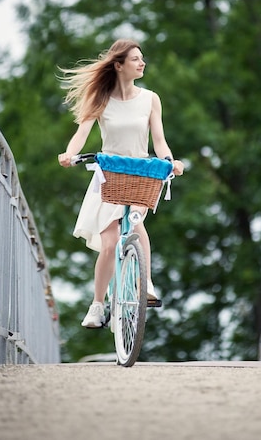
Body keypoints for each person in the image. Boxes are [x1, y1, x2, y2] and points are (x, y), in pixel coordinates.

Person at [58, 39, 184, 328]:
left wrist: (171, 161)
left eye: (142, 59)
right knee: (110, 241)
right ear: (119, 65)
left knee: (137, 223)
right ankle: (97, 305)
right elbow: (82, 132)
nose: (142, 63)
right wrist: (70, 153)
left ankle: (146, 284)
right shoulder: (100, 99)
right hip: (110, 174)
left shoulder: (150, 98)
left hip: (140, 172)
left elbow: (160, 140)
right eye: (135, 60)